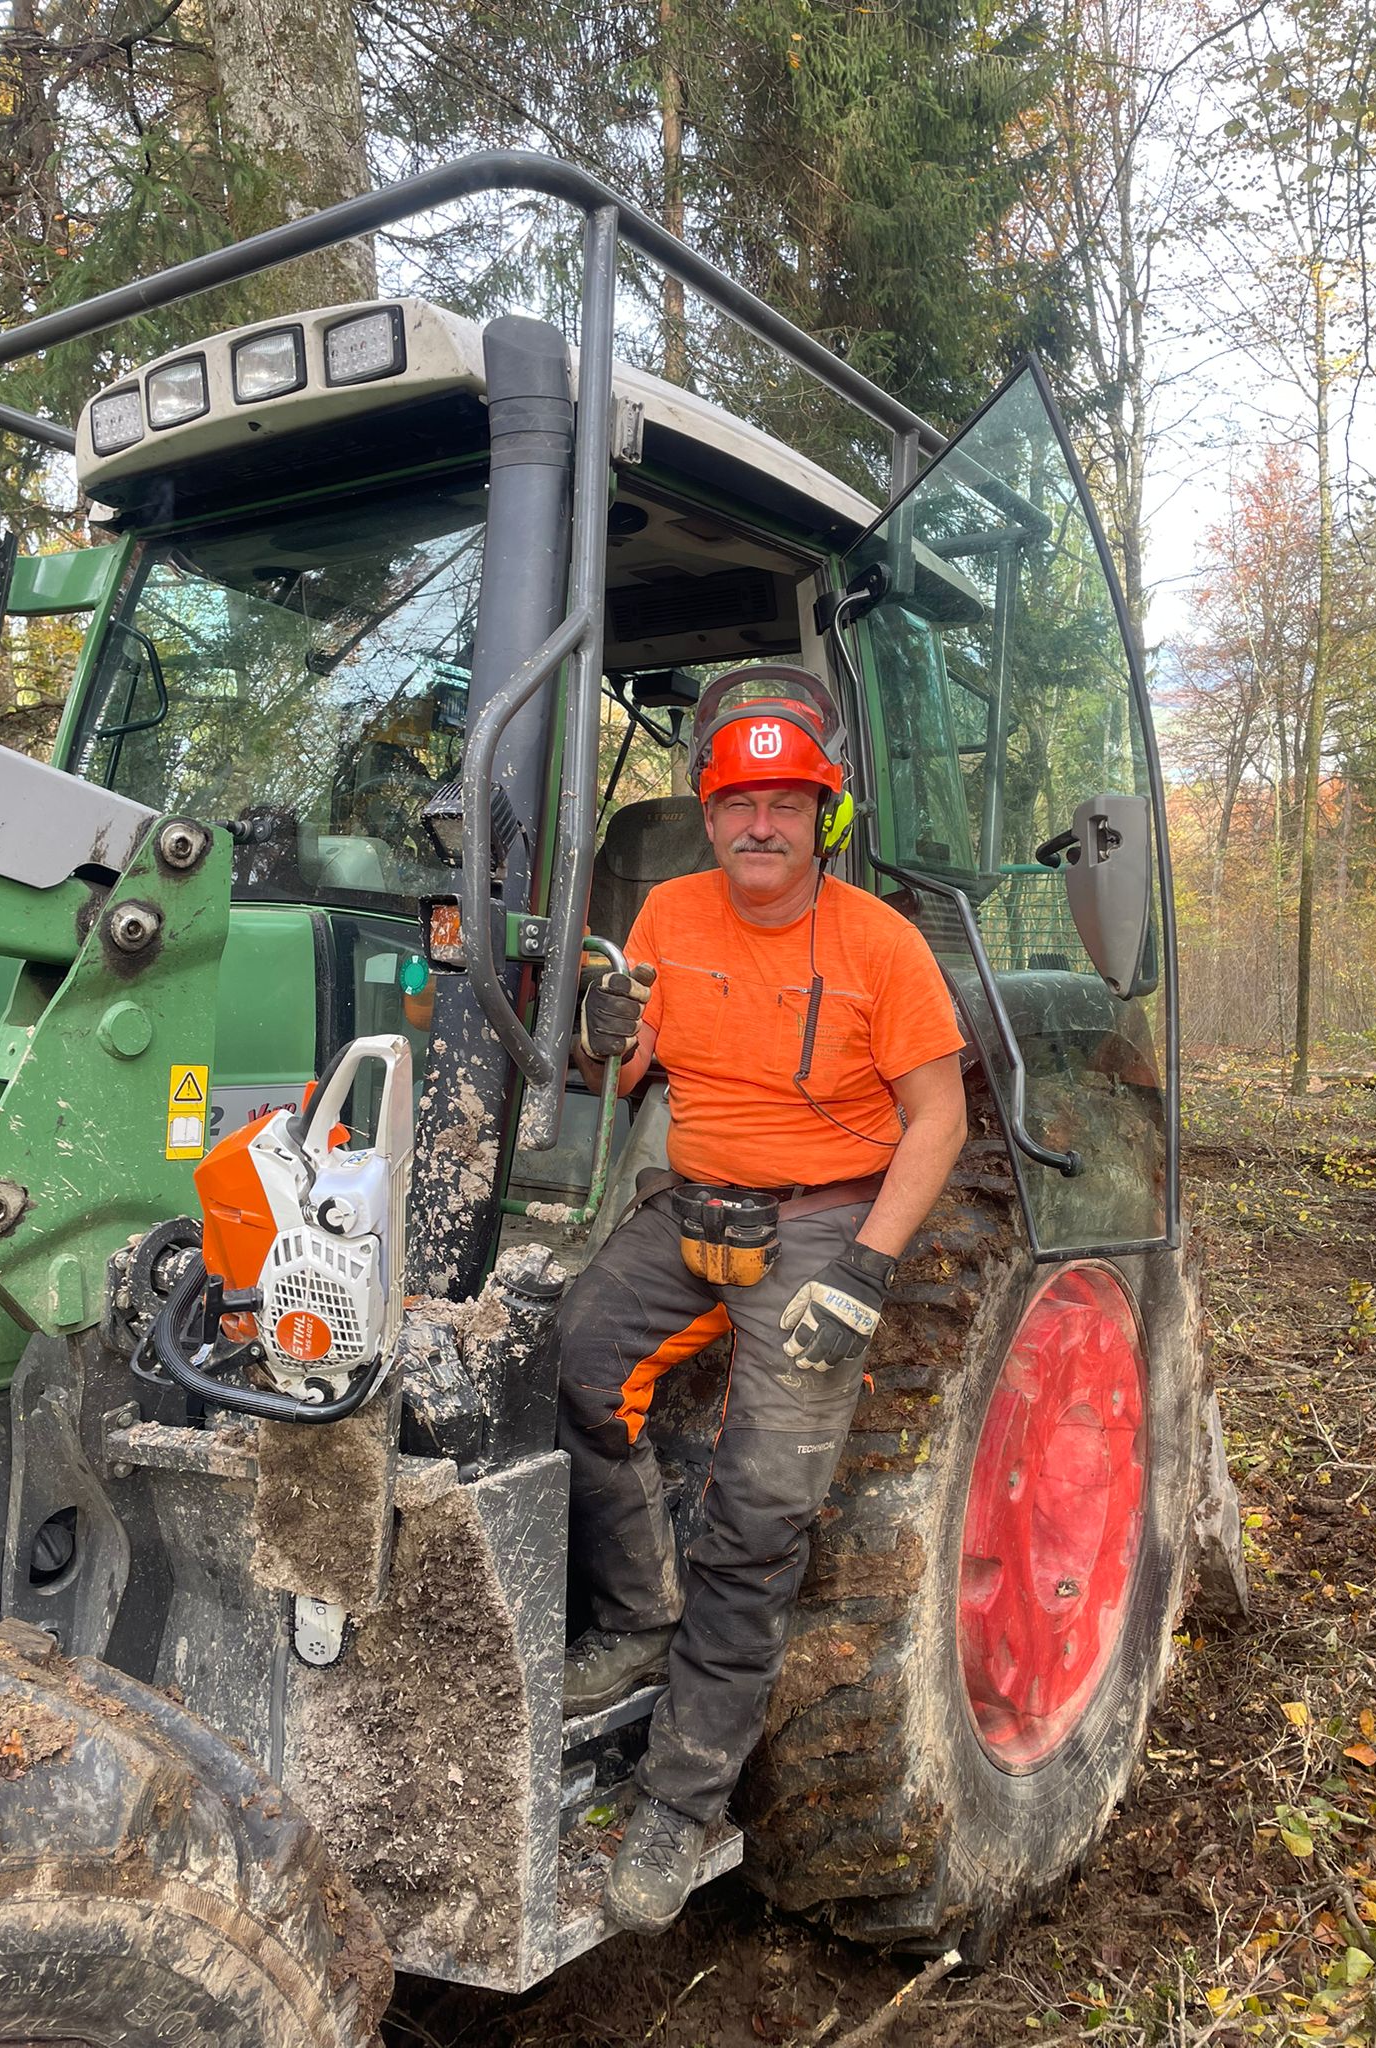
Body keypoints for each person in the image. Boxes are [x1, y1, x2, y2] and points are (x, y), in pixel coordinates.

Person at [558, 668, 967, 1934]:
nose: (760, 824)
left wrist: (866, 1268)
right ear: (709, 809)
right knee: (572, 1366)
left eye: (787, 802)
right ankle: (639, 1613)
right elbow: (622, 1064)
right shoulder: (668, 911)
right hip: (694, 1202)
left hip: (825, 1220)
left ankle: (681, 1800)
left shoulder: (881, 944)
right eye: (739, 801)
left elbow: (939, 1117)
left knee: (758, 1516)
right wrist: (601, 1028)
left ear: (822, 815)